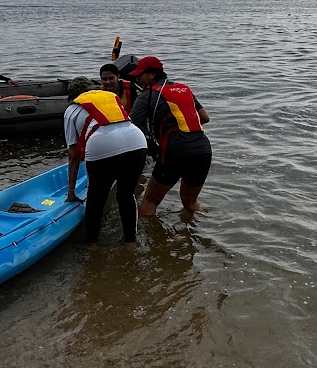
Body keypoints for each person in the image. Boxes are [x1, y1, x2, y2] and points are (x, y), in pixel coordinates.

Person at [63, 79, 147, 242]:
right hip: (137, 141)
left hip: (101, 144)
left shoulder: (72, 109)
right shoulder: (110, 97)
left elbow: (73, 155)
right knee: (126, 195)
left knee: (96, 197)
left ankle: (92, 245)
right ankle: (130, 242)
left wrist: (71, 192)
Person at [128, 56, 212, 217]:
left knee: (150, 201)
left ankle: (147, 240)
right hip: (202, 149)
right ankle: (195, 233)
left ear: (152, 75)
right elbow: (204, 118)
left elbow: (130, 127)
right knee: (190, 202)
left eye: (140, 75)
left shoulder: (147, 94)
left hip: (175, 150)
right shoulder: (183, 88)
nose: (138, 79)